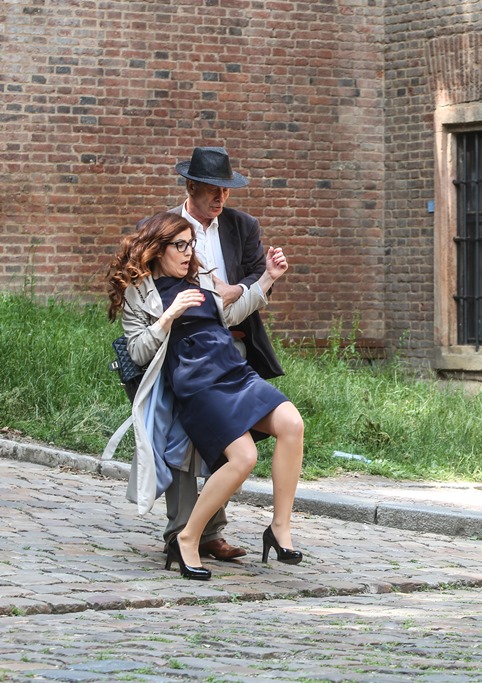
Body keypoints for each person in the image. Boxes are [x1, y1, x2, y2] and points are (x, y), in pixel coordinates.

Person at [105, 212, 304, 580]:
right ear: (158, 249)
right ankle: (188, 537)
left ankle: (279, 528)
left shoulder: (201, 278)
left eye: (190, 245)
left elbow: (230, 314)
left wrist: (267, 279)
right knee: (244, 457)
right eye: (180, 245)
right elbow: (137, 352)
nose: (188, 252)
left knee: (292, 423)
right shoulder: (139, 293)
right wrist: (168, 316)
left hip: (233, 370)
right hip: (197, 384)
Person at [161, 146, 285, 563]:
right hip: (185, 348)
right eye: (213, 189)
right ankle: (179, 533)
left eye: (226, 190)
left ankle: (210, 532)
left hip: (233, 343)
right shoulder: (165, 226)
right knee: (181, 438)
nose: (221, 197)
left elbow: (256, 272)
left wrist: (240, 288)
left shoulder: (242, 225)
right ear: (190, 186)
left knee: (227, 439)